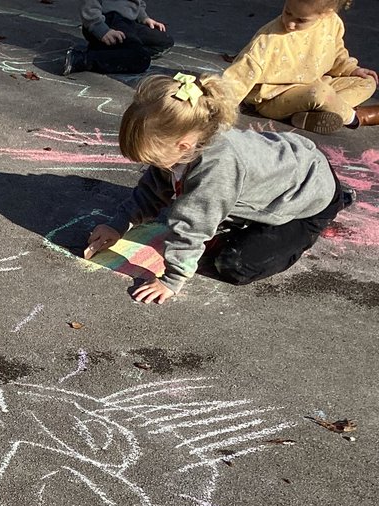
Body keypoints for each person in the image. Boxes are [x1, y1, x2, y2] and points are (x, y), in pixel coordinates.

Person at [83, 73, 348, 303]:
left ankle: (331, 207)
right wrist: (119, 224)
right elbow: (153, 189)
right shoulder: (187, 142)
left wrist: (171, 280)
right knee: (191, 209)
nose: (151, 166)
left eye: (153, 159)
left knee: (234, 264)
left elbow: (193, 227)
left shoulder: (216, 171)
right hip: (282, 172)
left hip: (307, 196)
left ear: (183, 147)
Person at [220, 0, 377, 133]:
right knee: (321, 94)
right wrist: (220, 109)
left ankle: (307, 116)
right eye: (287, 12)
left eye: (301, 20)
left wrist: (352, 69)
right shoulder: (268, 39)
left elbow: (336, 53)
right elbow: (239, 76)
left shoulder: (332, 23)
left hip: (314, 85)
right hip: (275, 99)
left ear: (326, 13)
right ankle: (354, 118)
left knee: (368, 82)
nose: (290, 23)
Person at [61, 0, 173, 76]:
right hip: (106, 20)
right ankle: (81, 59)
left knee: (164, 41)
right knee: (140, 59)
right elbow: (90, 4)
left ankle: (115, 52)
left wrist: (143, 17)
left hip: (127, 22)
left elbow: (135, 3)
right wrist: (101, 29)